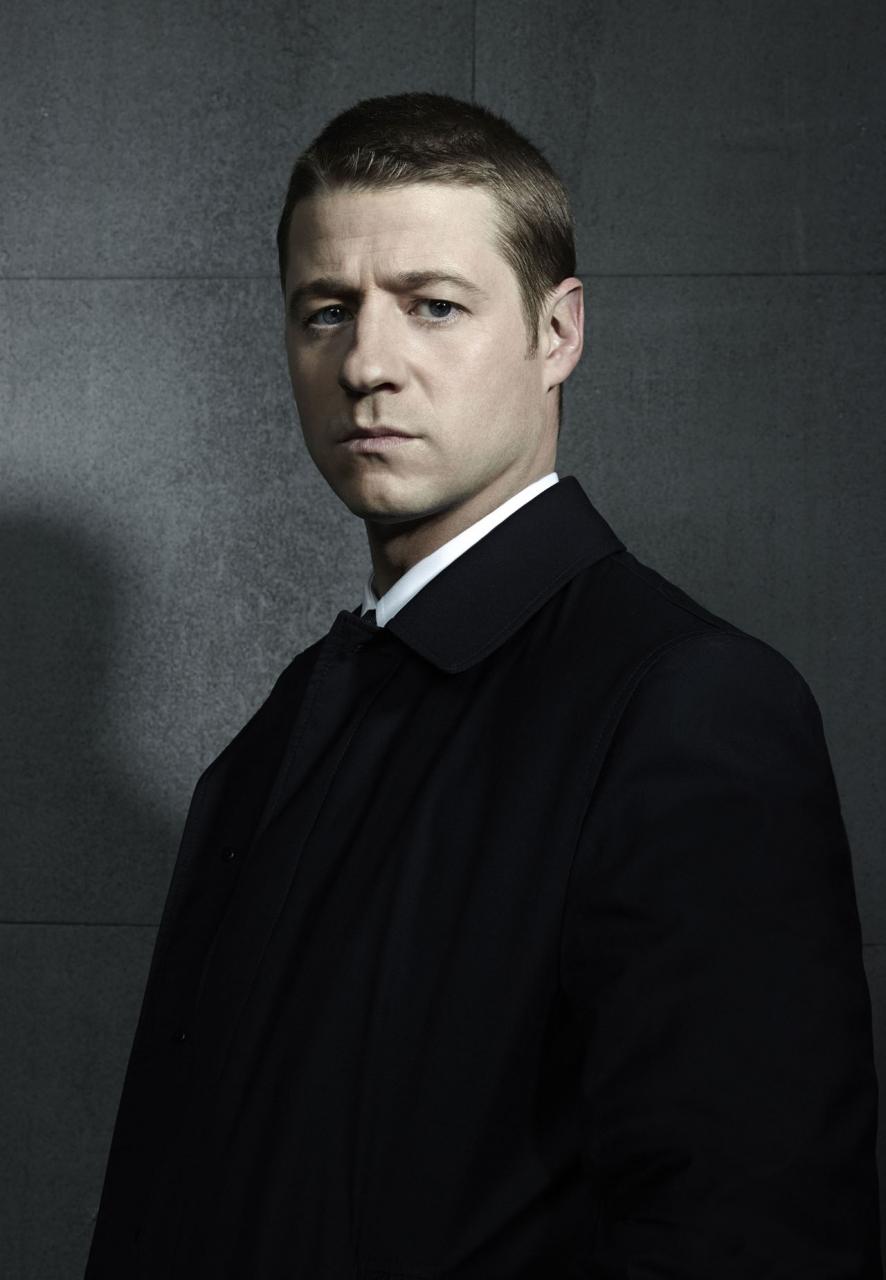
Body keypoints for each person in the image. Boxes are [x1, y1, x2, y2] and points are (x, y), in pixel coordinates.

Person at [85, 92, 881, 1278]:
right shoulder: (278, 734)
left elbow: (749, 1236)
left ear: (557, 333)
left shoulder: (687, 704)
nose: (367, 364)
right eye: (326, 310)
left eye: (434, 305)